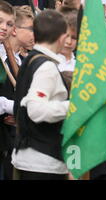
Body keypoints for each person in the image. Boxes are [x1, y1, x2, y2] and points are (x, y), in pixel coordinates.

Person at [12, 10, 70, 180]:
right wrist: (74, 106)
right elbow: (36, 109)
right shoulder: (46, 67)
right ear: (61, 38)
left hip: (33, 159)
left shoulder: (31, 59)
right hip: (43, 163)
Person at [0, 1, 18, 180]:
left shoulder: (4, 53)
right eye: (0, 21)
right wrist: (15, 107)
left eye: (9, 23)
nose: (4, 28)